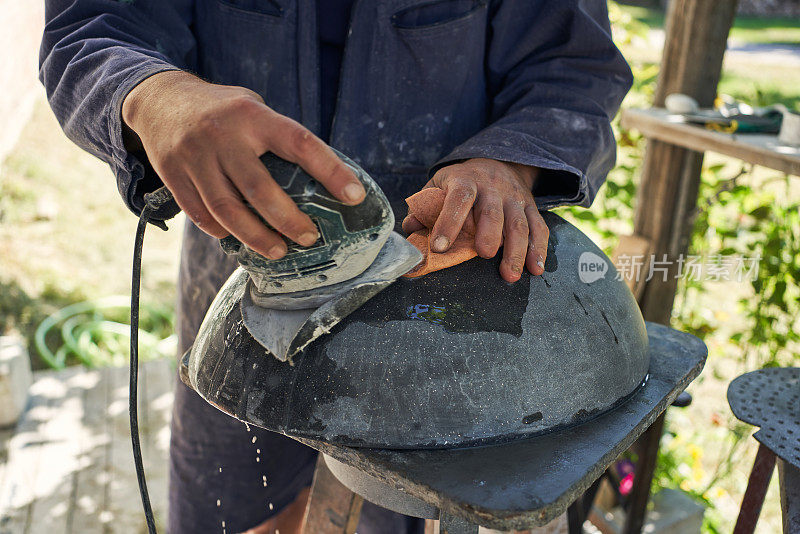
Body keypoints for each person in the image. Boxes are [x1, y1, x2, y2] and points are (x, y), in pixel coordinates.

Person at [40, 1, 632, 532]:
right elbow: (90, 27)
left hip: (443, 326)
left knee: (391, 508)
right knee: (228, 508)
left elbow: (573, 66)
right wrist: (156, 96)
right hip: (247, 294)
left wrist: (509, 163)